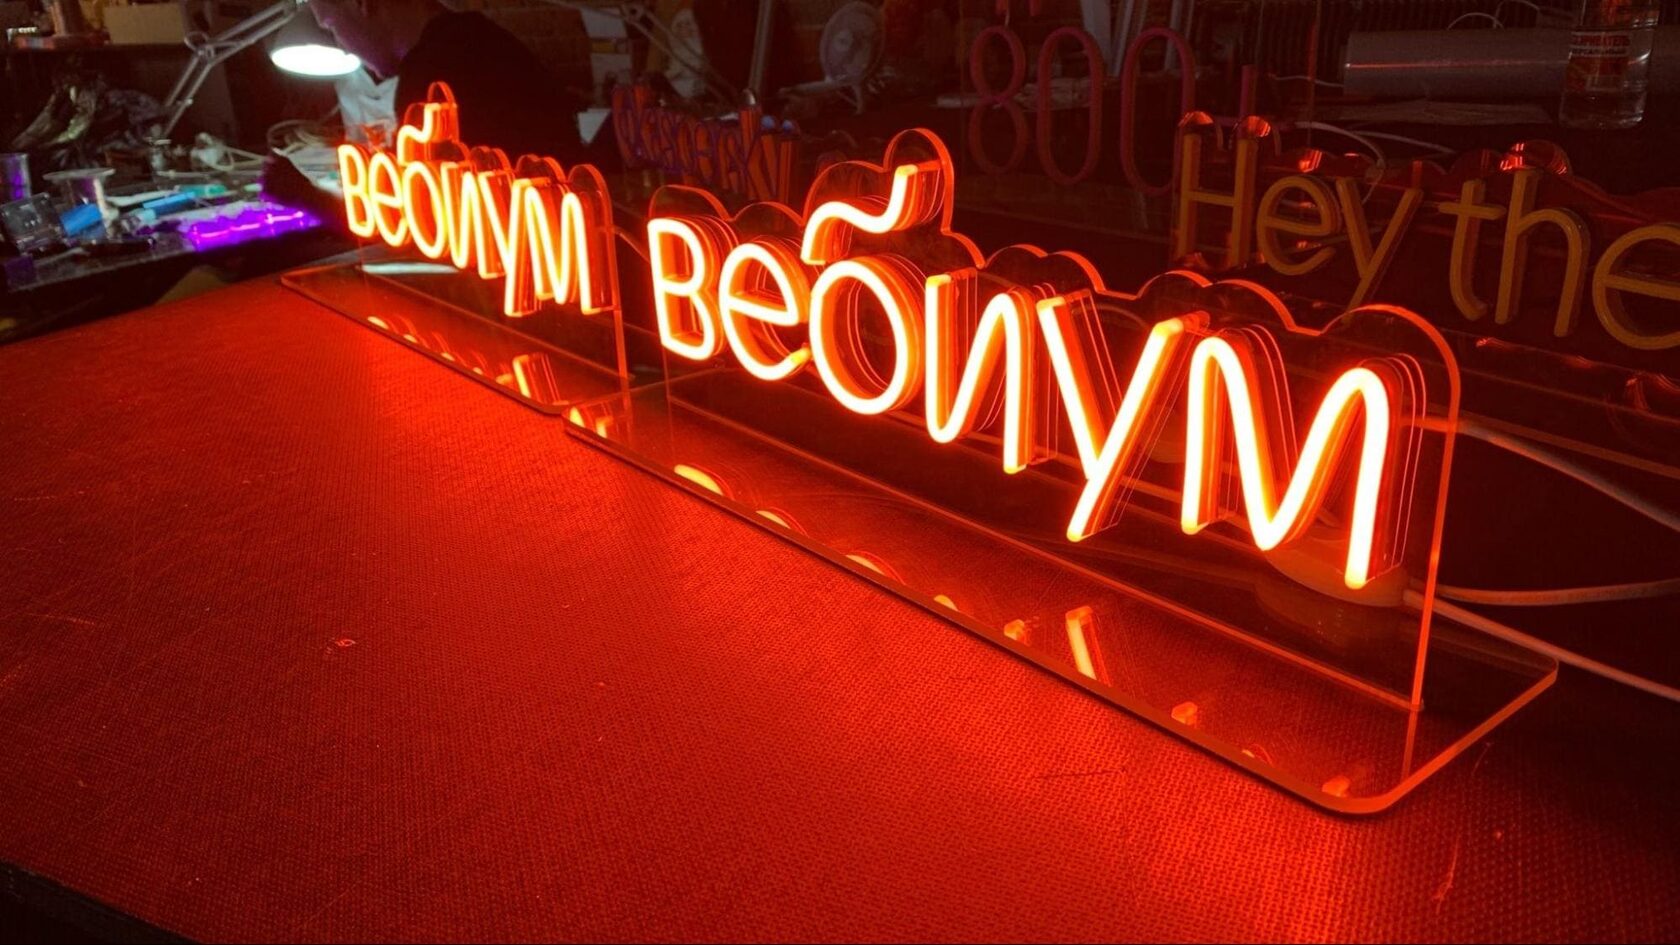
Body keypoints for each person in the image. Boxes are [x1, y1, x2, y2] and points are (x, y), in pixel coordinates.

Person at [263, 0, 602, 218]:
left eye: (331, 27)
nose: (342, 46)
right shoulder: (478, 40)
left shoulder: (432, 76)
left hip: (525, 274)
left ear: (362, 4)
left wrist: (307, 196)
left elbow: (411, 227)